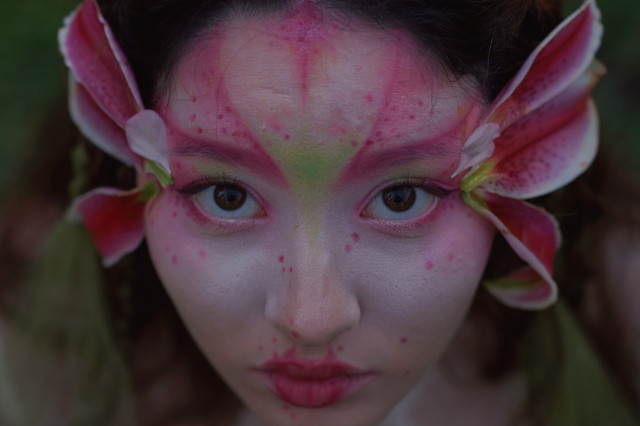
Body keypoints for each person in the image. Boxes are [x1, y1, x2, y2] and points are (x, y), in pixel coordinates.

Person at [0, 0, 638, 425]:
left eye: (400, 196)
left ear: (532, 144)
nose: (311, 320)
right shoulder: (33, 337)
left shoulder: (623, 292)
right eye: (226, 194)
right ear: (123, 147)